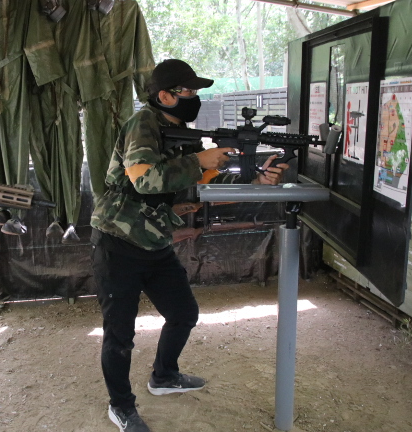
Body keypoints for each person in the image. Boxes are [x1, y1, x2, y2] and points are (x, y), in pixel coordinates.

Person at [90, 59, 289, 432]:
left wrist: (257, 182)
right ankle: (121, 406)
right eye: (189, 91)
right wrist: (200, 159)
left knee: (183, 313)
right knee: (120, 334)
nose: (195, 98)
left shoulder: (185, 134)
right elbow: (144, 179)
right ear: (164, 96)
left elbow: (199, 187)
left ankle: (164, 376)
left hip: (155, 240)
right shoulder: (143, 124)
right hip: (118, 241)